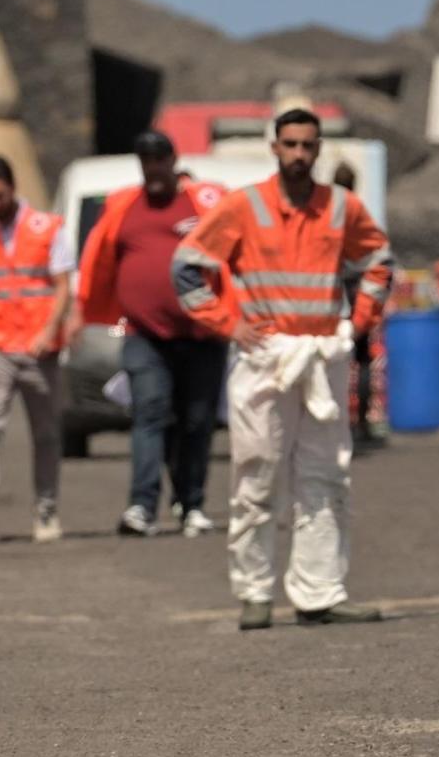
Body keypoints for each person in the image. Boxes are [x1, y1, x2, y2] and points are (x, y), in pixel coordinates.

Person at [173, 108, 394, 632]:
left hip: (322, 357)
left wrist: (357, 324)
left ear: (318, 151)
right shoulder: (244, 205)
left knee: (325, 474)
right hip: (266, 358)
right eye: (290, 144)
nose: (299, 154)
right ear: (275, 147)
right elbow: (186, 265)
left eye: (307, 145)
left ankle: (319, 592)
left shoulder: (341, 207)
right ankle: (254, 592)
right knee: (257, 472)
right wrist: (229, 324)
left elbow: (378, 262)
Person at [73, 130, 228, 538]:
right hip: (144, 335)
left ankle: (191, 503)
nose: (153, 167)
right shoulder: (125, 206)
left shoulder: (203, 202)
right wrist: (88, 309)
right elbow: (101, 256)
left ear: (173, 161)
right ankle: (141, 506)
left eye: (160, 159)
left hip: (202, 335)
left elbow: (231, 253)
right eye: (146, 160)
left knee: (196, 422)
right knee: (149, 415)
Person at [0, 154, 73, 543]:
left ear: (13, 186)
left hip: (39, 348)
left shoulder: (48, 227)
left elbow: (62, 287)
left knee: (47, 432)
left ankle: (46, 509)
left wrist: (50, 331)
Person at [332, 162, 379, 445]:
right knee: (361, 360)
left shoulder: (322, 211)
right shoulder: (359, 213)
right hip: (356, 290)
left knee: (330, 360)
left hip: (329, 292)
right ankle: (361, 423)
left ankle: (333, 421)